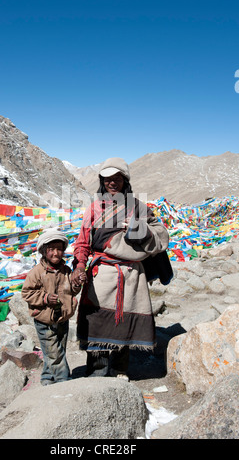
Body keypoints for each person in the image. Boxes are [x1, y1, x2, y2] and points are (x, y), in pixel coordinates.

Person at [71, 157, 171, 381]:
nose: (112, 183)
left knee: (124, 324)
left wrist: (140, 229)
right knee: (97, 323)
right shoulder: (95, 208)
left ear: (125, 181)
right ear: (102, 182)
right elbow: (83, 242)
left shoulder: (138, 207)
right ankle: (97, 373)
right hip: (102, 274)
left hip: (131, 275)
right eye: (107, 179)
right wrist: (79, 265)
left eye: (117, 178)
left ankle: (120, 371)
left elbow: (162, 236)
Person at [22, 227, 82, 386]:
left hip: (62, 318)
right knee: (55, 354)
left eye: (59, 249)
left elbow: (72, 291)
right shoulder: (36, 272)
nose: (56, 253)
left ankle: (47, 378)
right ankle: (64, 381)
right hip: (44, 320)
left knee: (56, 351)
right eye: (51, 249)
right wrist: (45, 298)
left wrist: (77, 284)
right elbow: (26, 293)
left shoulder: (67, 271)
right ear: (43, 251)